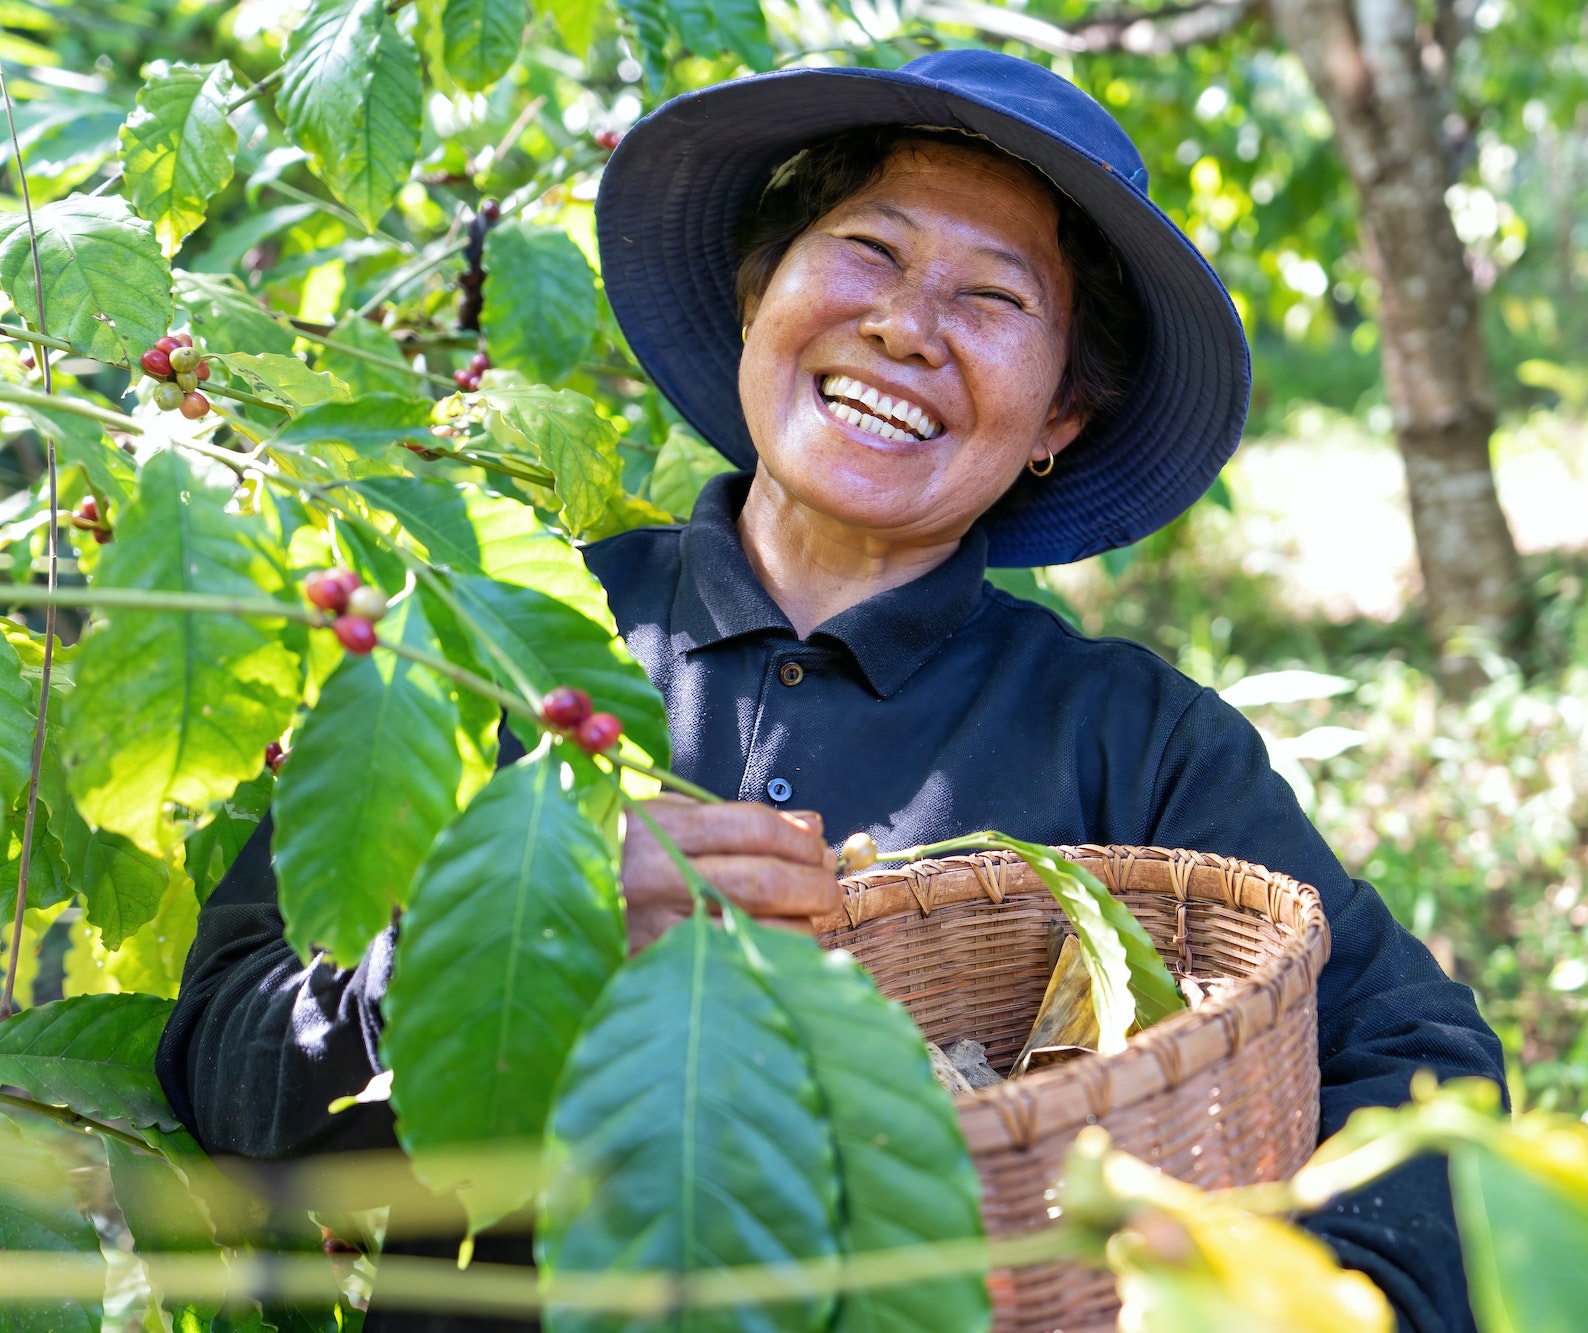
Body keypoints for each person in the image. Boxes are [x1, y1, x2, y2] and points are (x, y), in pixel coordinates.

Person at [158, 48, 1505, 1333]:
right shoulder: (506, 635)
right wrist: (511, 939)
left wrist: (1300, 1290)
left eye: (995, 298)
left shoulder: (1132, 745)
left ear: (1057, 424)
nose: (907, 326)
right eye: (868, 249)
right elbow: (227, 1052)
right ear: (759, 292)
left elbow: (1424, 1069)